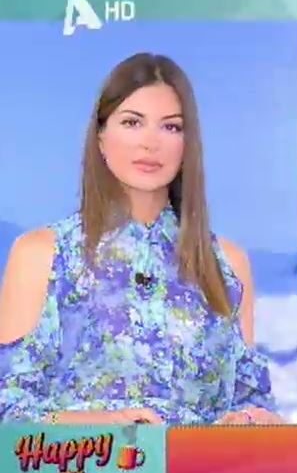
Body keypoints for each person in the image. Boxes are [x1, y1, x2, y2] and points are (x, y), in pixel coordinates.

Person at [0, 53, 282, 425]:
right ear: (101, 136)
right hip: (89, 461)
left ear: (188, 144)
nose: (151, 143)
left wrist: (250, 419)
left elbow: (251, 402)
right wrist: (107, 425)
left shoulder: (226, 263)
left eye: (171, 127)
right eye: (132, 122)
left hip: (195, 462)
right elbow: (9, 410)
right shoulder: (43, 253)